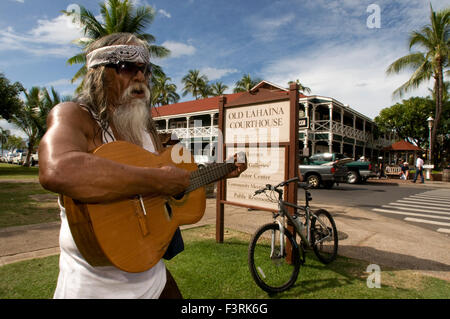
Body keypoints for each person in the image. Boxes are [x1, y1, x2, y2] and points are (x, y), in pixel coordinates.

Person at [38, 33, 246, 299]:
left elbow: (175, 183)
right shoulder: (74, 115)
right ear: (99, 74)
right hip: (93, 289)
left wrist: (221, 170)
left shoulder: (146, 130)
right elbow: (58, 169)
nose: (140, 77)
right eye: (127, 67)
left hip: (153, 275)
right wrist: (159, 180)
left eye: (145, 70)